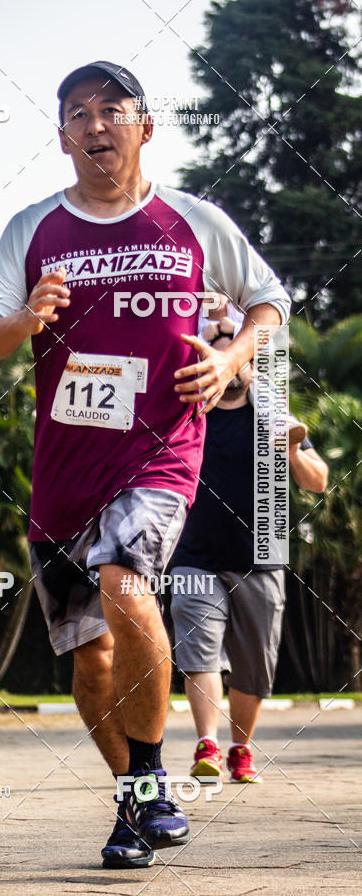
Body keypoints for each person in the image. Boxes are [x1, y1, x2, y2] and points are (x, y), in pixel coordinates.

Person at [0, 60, 290, 868]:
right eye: (80, 112)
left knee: (124, 580)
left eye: (115, 109)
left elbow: (268, 299)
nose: (97, 124)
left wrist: (230, 361)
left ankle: (150, 775)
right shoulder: (34, 229)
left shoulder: (193, 219)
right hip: (64, 470)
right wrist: (25, 318)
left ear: (147, 126)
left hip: (161, 454)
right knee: (88, 655)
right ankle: (134, 798)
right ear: (63, 135)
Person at [170, 317, 328, 783]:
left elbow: (316, 482)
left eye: (232, 349)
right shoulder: (185, 414)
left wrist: (293, 452)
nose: (223, 358)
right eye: (212, 348)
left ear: (249, 360)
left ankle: (240, 748)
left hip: (261, 557)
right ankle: (208, 745)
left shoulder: (274, 416)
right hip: (193, 555)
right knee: (198, 653)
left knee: (253, 664)